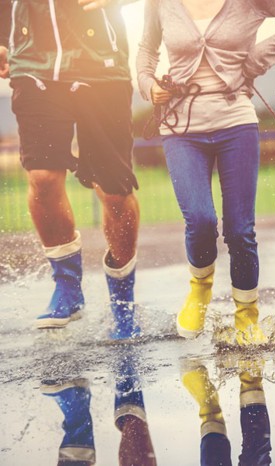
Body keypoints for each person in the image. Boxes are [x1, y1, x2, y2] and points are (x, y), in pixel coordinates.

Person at [135, 0, 275, 344]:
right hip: (180, 128)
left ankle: (247, 316)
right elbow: (147, 48)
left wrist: (255, 61)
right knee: (200, 219)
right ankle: (199, 289)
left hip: (236, 123)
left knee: (239, 231)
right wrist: (147, 83)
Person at [0, 0, 141, 339]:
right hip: (34, 67)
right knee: (43, 178)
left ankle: (123, 303)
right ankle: (67, 288)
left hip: (101, 68)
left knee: (115, 193)